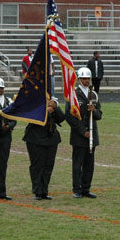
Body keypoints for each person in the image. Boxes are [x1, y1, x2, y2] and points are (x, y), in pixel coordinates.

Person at [66, 67, 101, 199]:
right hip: (79, 136)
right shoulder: (73, 94)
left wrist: (94, 110)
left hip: (92, 135)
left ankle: (86, 188)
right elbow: (69, 116)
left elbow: (100, 115)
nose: (87, 81)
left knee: (89, 164)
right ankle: (77, 189)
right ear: (79, 79)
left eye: (88, 78)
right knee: (77, 164)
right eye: (84, 79)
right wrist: (82, 131)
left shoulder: (94, 94)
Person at [23, 96, 65, 200]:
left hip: (51, 137)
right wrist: (45, 111)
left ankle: (44, 190)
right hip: (35, 138)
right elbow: (30, 117)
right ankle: (37, 191)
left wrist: (55, 107)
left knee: (48, 165)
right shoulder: (32, 99)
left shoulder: (52, 101)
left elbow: (61, 118)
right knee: (37, 165)